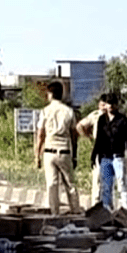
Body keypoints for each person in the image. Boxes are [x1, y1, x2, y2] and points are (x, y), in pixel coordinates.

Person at [34, 81, 81, 215]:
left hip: (49, 151)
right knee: (70, 184)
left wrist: (37, 154)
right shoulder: (69, 111)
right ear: (62, 94)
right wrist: (74, 155)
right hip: (65, 150)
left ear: (50, 94)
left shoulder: (45, 111)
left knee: (52, 185)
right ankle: (75, 211)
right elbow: (74, 135)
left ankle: (55, 213)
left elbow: (40, 134)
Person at [91, 93, 127, 211]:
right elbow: (99, 139)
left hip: (118, 156)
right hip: (105, 156)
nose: (110, 106)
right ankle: (107, 208)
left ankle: (126, 208)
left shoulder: (122, 119)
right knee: (106, 185)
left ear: (116, 105)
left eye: (112, 103)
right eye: (108, 103)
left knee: (122, 183)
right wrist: (94, 155)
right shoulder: (102, 119)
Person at [76, 94, 108, 207]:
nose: (104, 107)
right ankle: (95, 204)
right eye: (102, 104)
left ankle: (107, 205)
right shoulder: (95, 116)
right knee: (97, 178)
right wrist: (88, 137)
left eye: (106, 104)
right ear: (99, 105)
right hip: (99, 148)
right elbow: (80, 126)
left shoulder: (114, 116)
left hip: (112, 149)